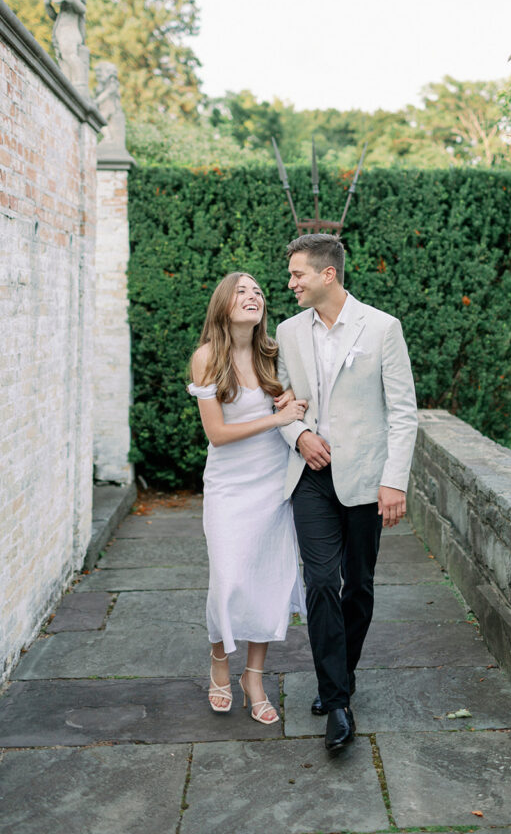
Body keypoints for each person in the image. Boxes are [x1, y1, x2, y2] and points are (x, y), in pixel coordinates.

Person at [275, 234, 418, 752]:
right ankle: (337, 702)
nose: (290, 284)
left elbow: (402, 412)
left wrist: (394, 480)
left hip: (364, 477)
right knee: (318, 582)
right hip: (311, 475)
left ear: (327, 274)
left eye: (298, 275)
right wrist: (300, 436)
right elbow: (284, 397)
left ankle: (341, 675)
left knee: (357, 586)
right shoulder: (288, 332)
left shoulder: (382, 328)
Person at [188, 272, 307, 724]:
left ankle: (253, 677)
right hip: (230, 486)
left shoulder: (274, 354)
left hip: (275, 485)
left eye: (258, 290)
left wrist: (293, 398)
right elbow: (217, 435)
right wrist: (276, 421)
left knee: (269, 579)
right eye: (242, 290)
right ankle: (220, 660)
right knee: (230, 578)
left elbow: (302, 399)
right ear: (224, 304)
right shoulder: (207, 358)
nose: (252, 295)